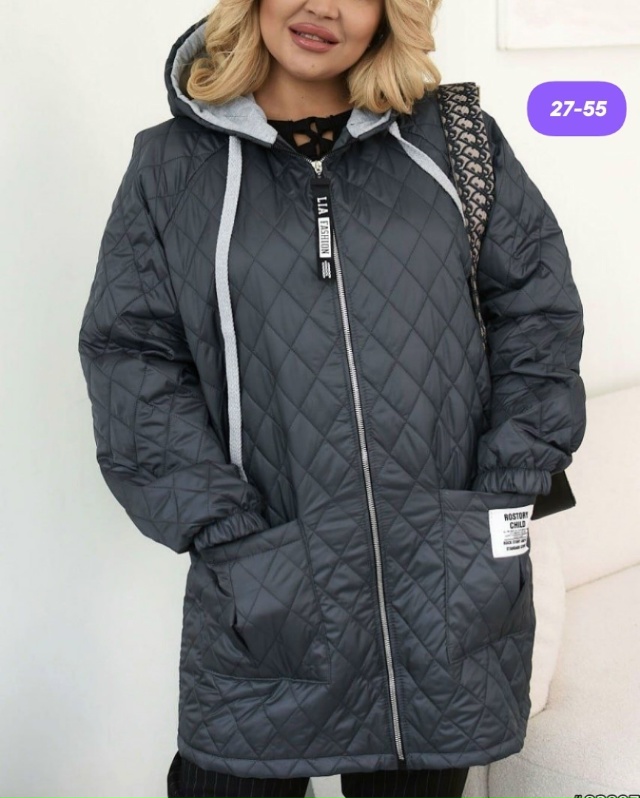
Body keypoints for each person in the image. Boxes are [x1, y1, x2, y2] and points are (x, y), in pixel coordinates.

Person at [77, 0, 587, 794]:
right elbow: (133, 360)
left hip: (445, 586)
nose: (321, 6)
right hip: (268, 583)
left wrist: (508, 487)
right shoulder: (170, 166)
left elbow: (537, 315)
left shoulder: (455, 142)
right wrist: (220, 528)